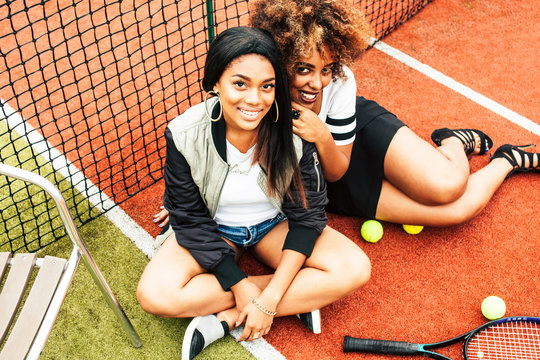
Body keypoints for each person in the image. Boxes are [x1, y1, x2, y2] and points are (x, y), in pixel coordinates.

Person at [137, 27, 371, 360]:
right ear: (215, 82)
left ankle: (228, 319)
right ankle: (303, 295)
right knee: (155, 295)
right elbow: (190, 220)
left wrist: (270, 299)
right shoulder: (184, 133)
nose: (254, 99)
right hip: (215, 230)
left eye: (267, 86)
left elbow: (308, 215)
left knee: (354, 268)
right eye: (240, 84)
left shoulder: (294, 129)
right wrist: (241, 286)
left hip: (273, 227)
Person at [246, 0, 539, 227]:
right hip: (333, 182)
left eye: (325, 69)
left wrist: (321, 135)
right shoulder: (259, 93)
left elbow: (339, 163)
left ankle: (452, 142)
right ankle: (506, 160)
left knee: (448, 185)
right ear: (281, 58)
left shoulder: (340, 80)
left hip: (355, 137)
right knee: (457, 211)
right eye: (303, 69)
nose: (317, 83)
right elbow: (332, 177)